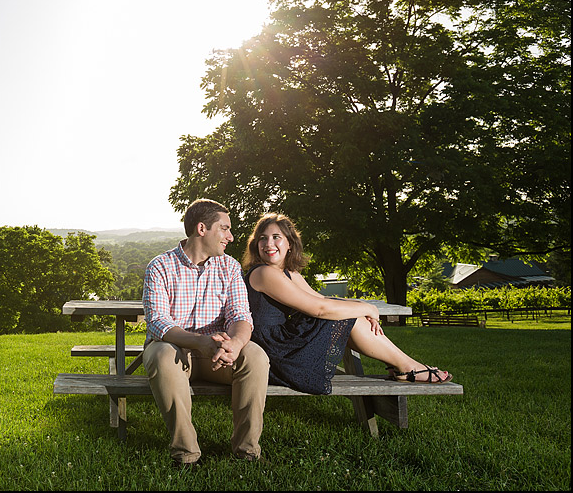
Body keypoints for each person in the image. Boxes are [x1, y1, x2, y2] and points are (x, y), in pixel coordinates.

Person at [242, 212, 452, 395]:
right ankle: (407, 367)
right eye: (262, 238)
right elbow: (319, 309)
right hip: (272, 352)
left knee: (350, 314)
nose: (268, 244)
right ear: (256, 245)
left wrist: (360, 306)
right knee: (349, 318)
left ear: (290, 243)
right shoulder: (264, 273)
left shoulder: (287, 272)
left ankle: (403, 365)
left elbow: (321, 299)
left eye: (276, 237)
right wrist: (368, 308)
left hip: (281, 342)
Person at [142, 199, 270, 467]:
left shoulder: (230, 267)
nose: (230, 237)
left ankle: (247, 452)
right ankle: (186, 454)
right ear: (202, 229)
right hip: (176, 350)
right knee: (162, 354)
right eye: (224, 228)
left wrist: (235, 344)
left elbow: (240, 315)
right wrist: (200, 342)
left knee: (255, 356)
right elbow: (158, 323)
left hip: (217, 354)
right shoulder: (160, 266)